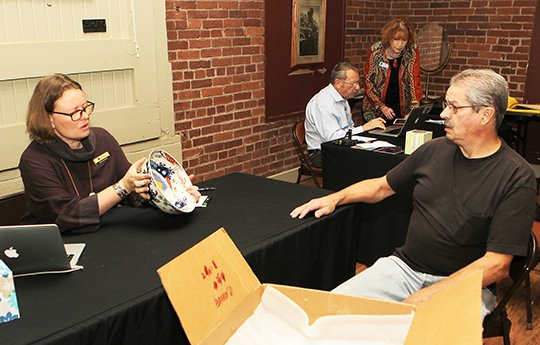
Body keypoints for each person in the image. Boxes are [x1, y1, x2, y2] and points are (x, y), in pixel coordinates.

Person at [291, 69, 537, 320]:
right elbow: (380, 186)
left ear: (486, 114)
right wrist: (334, 198)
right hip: (404, 269)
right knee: (328, 313)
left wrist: (428, 295)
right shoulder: (434, 150)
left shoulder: (516, 177)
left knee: (419, 331)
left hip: (466, 286)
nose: (443, 114)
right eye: (445, 105)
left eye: (453, 107)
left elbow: (497, 265)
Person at [19, 74, 200, 233]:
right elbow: (65, 216)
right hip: (61, 244)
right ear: (48, 119)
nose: (84, 116)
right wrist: (122, 187)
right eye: (74, 112)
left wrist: (171, 194)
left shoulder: (102, 139)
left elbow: (134, 190)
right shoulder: (34, 160)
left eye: (85, 108)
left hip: (107, 235)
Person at [305, 62, 386, 167]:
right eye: (353, 83)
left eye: (358, 83)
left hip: (341, 146)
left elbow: (349, 128)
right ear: (338, 83)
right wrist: (364, 128)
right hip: (322, 152)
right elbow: (332, 138)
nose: (357, 87)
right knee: (365, 162)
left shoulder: (343, 99)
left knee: (376, 154)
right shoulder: (322, 103)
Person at [363, 17, 422, 121]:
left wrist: (413, 111)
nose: (399, 45)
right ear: (389, 38)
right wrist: (381, 106)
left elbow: (414, 81)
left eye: (404, 40)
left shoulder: (411, 52)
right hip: (376, 108)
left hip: (401, 107)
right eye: (396, 39)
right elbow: (368, 82)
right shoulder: (375, 52)